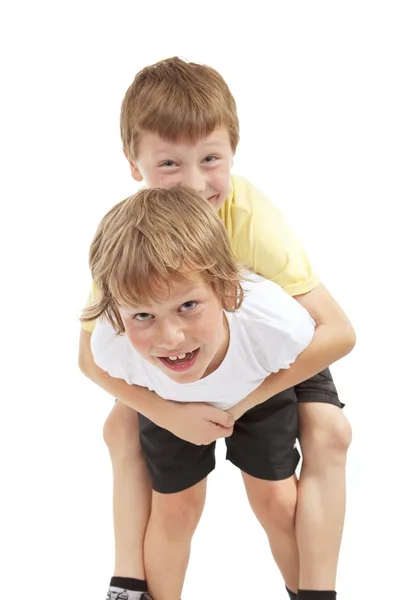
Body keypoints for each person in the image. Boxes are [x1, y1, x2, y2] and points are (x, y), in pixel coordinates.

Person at [78, 57, 355, 600]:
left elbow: (335, 333)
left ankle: (315, 591)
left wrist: (240, 403)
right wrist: (165, 412)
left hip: (276, 355)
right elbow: (93, 354)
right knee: (124, 431)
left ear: (232, 153)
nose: (196, 183)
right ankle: (129, 584)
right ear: (134, 165)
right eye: (169, 165)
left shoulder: (249, 218)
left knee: (326, 434)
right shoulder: (136, 236)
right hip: (187, 354)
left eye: (211, 159)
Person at [83, 186, 316, 600]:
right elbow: (105, 374)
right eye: (142, 315)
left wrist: (247, 403)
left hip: (256, 384)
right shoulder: (112, 346)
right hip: (170, 401)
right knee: (176, 508)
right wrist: (166, 413)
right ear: (119, 316)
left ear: (226, 291)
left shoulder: (278, 327)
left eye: (188, 306)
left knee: (277, 500)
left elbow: (319, 350)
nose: (170, 337)